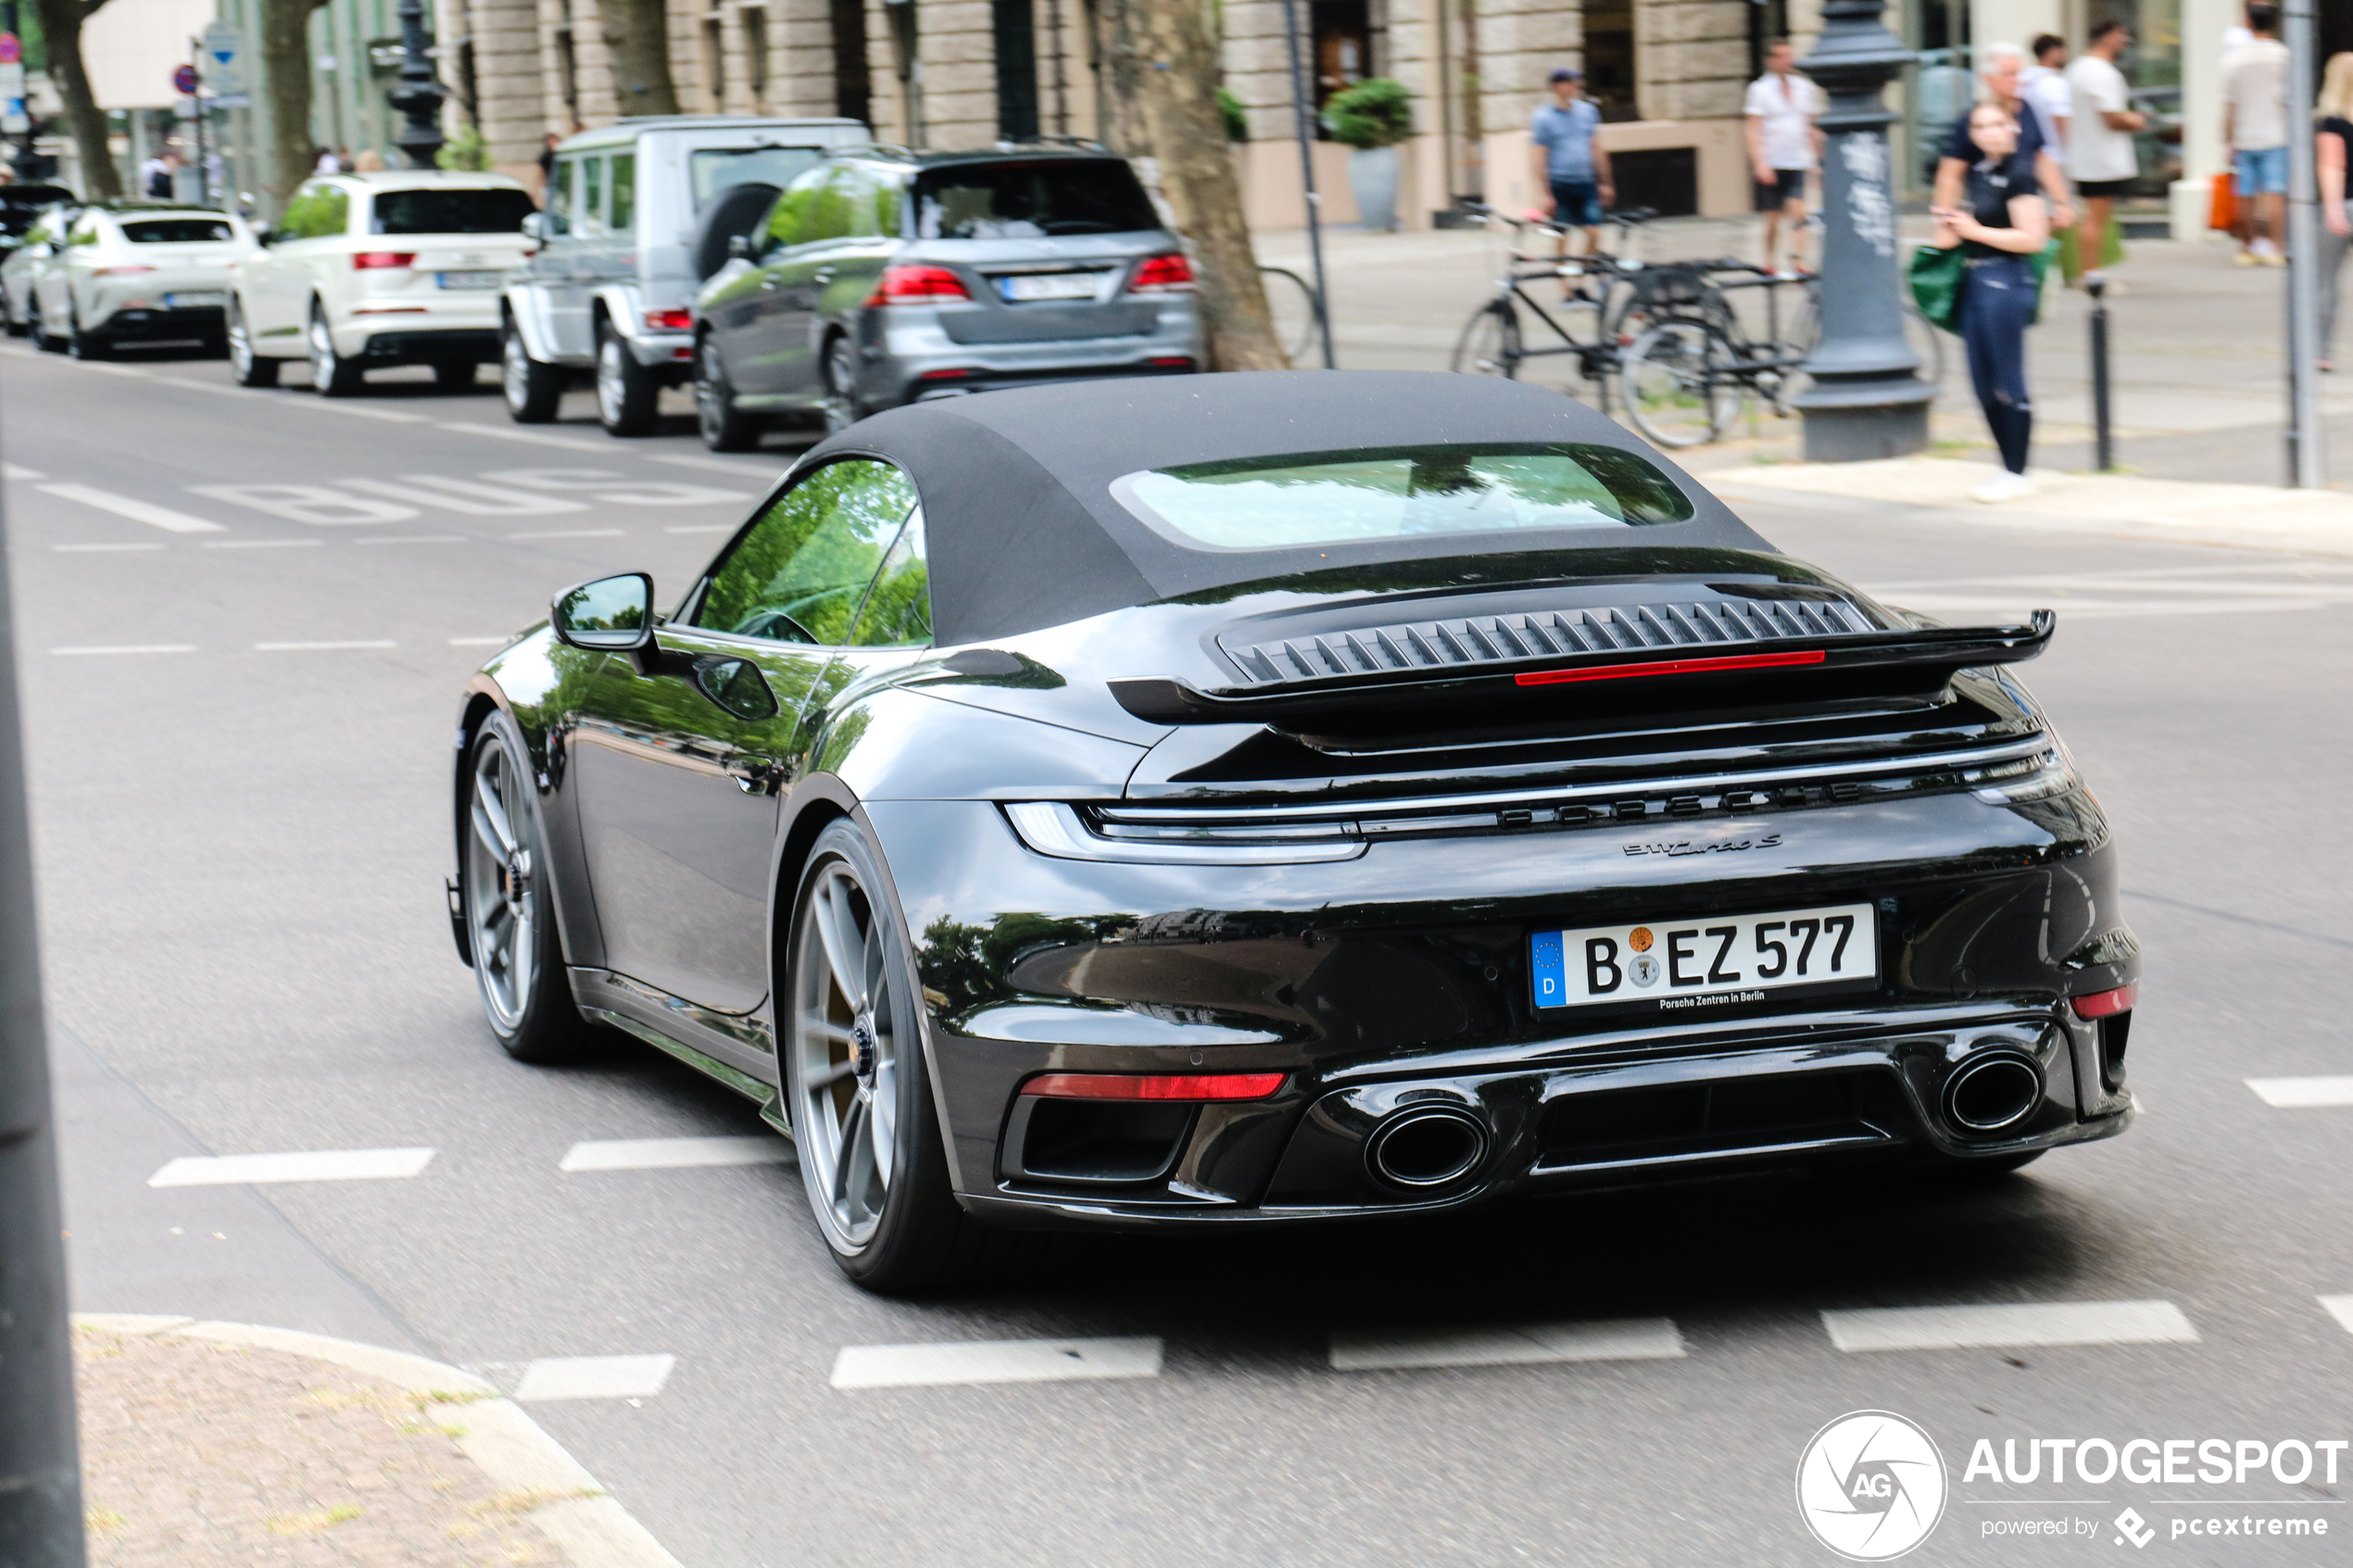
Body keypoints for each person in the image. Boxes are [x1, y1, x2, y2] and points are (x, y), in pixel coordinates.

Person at [1930, 101, 2053, 505]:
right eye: (1980, 127)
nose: (1989, 133)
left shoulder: (2019, 174)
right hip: (1976, 277)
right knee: (1982, 382)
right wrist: (1948, 222)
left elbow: (2032, 238)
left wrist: (1975, 229)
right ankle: (2005, 467)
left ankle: (2018, 471)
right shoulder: (1981, 172)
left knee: (2007, 380)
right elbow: (1950, 240)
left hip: (2006, 279)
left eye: (1997, 124)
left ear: (2013, 127)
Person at [1931, 44, 2074, 236]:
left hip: (2026, 210)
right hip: (1988, 216)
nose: (2017, 81)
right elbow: (1950, 174)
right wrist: (1945, 220)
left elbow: (2043, 160)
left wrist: (2061, 201)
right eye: (2008, 74)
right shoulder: (1972, 119)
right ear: (1988, 79)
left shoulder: (2030, 111)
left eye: (2018, 74)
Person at [2066, 19, 2146, 290]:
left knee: (2092, 218)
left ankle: (2088, 273)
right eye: (2122, 36)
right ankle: (2091, 276)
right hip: (2101, 158)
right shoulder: (2102, 73)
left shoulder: (2076, 69)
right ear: (2108, 37)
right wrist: (2134, 120)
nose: (2124, 43)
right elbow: (2111, 118)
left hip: (2084, 154)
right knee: (2095, 220)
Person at [1743, 39, 1825, 275]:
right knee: (1773, 219)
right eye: (1781, 56)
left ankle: (1798, 261)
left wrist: (1819, 159)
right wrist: (1759, 162)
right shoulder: (1759, 90)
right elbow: (1753, 128)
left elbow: (1811, 125)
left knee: (1799, 213)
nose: (1787, 61)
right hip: (1773, 161)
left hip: (1798, 160)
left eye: (1789, 56)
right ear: (1769, 61)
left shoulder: (1804, 88)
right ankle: (1770, 260)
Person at [2224, 3, 2290, 265]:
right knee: (2275, 192)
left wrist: (2228, 138)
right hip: (2276, 133)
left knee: (2245, 194)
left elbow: (2230, 104)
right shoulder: (2284, 56)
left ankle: (2247, 247)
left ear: (2248, 22)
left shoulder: (2235, 59)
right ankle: (2276, 247)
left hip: (2245, 134)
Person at [1529, 67, 1613, 264]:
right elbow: (1539, 157)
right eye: (1569, 82)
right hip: (1560, 184)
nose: (1575, 86)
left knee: (1594, 233)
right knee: (1561, 238)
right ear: (1556, 86)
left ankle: (1580, 281)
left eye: (1575, 82)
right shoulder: (1543, 118)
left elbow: (1596, 148)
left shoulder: (1588, 112)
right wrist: (1546, 194)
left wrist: (1605, 182)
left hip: (1585, 182)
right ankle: (1567, 290)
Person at [2318, 52, 2353, 371]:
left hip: (2344, 206)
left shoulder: (2332, 122)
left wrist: (2332, 209)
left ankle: (2322, 352)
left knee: (2326, 282)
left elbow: (2332, 166)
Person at [2020, 34, 2071, 150]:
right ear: (2052, 52)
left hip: (2028, 149)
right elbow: (2062, 120)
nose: (2064, 55)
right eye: (2062, 51)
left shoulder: (2022, 78)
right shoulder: (2054, 83)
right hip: (2053, 152)